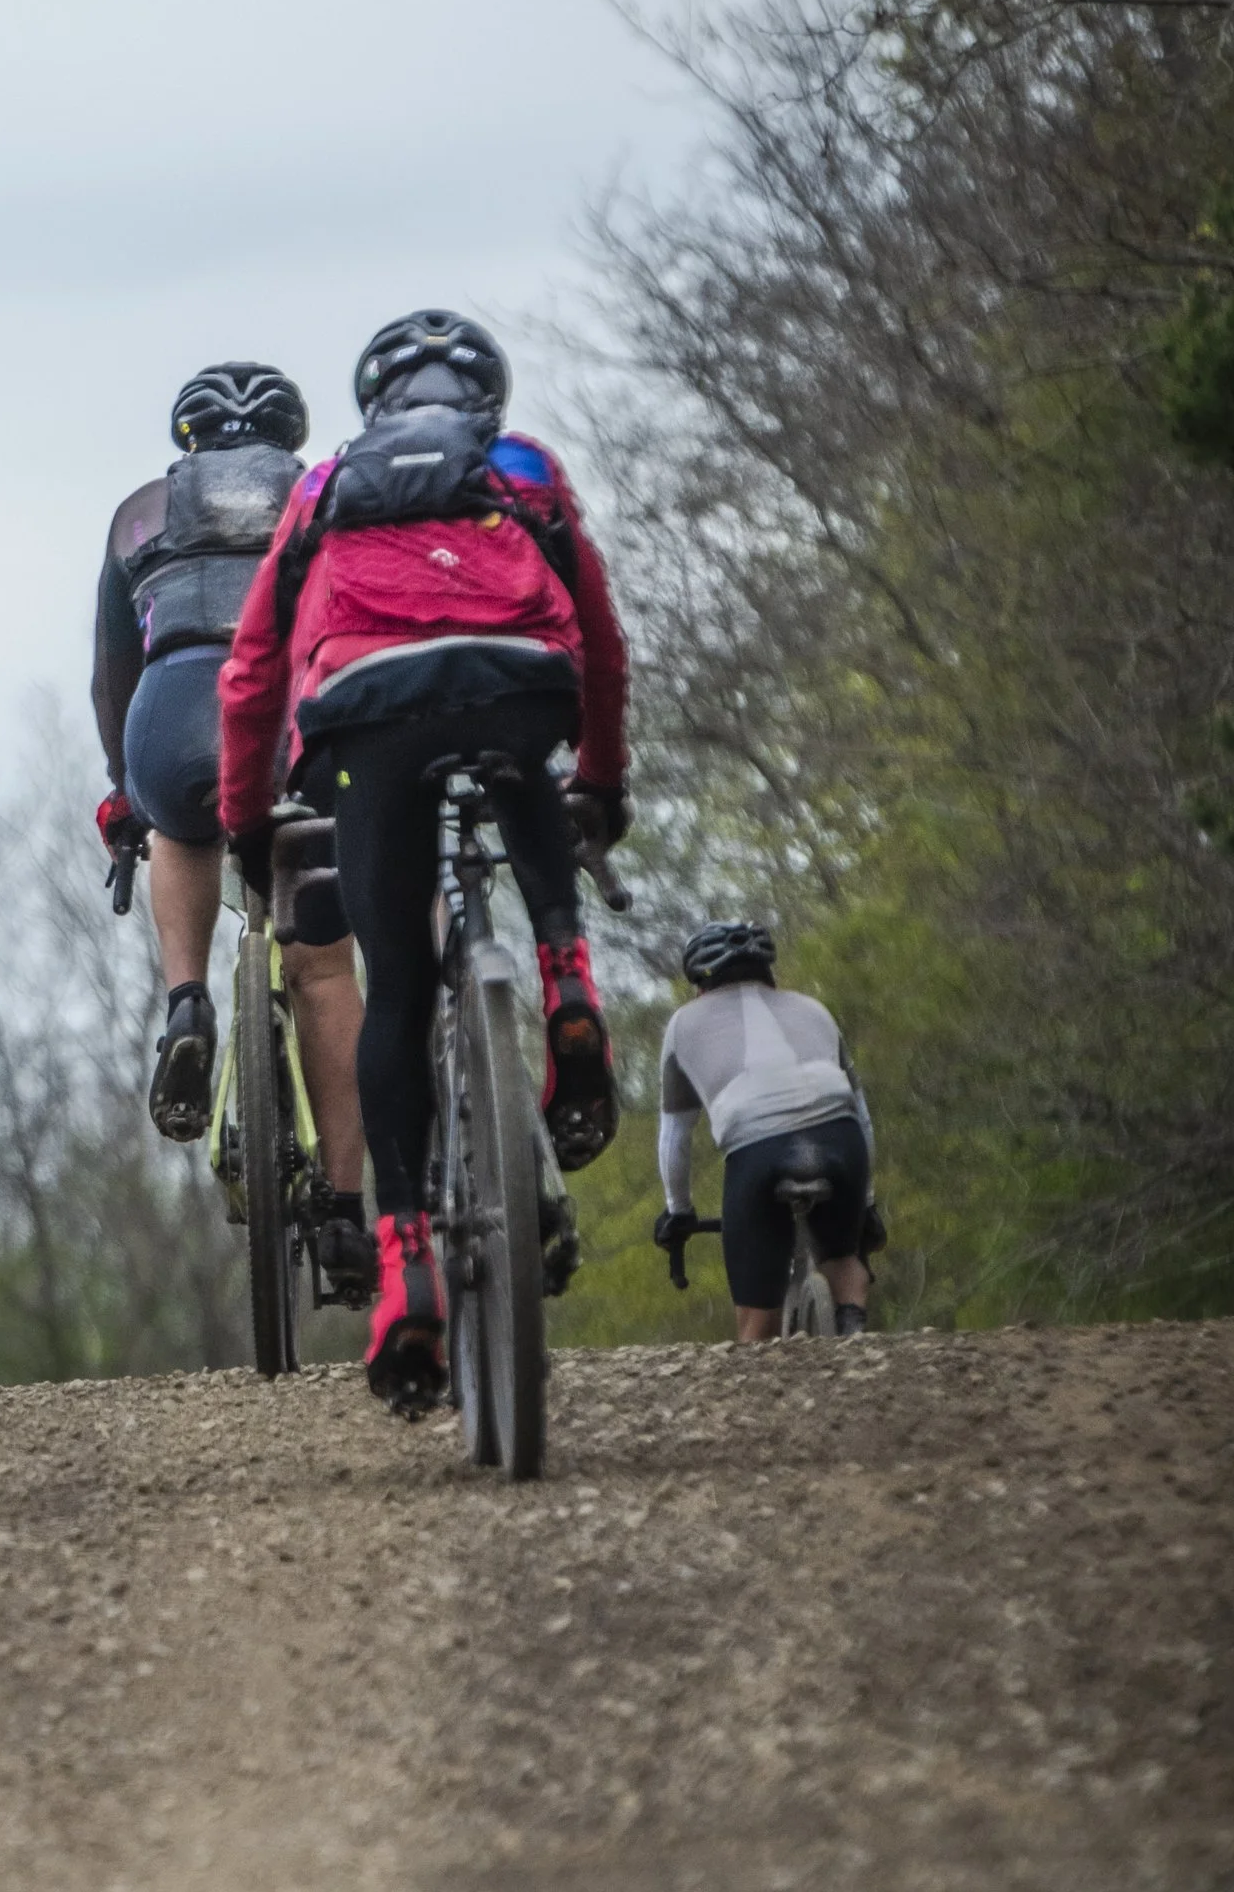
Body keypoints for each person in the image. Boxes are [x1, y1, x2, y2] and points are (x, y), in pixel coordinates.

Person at [217, 308, 631, 1411]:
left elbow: (252, 668)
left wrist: (249, 819)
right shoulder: (523, 465)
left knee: (393, 991)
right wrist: (602, 776)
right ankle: (562, 975)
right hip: (517, 680)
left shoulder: (322, 489)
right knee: (527, 768)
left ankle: (404, 1266)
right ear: (482, 393)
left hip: (366, 714)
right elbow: (595, 631)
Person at [93, 362, 371, 1278]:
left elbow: (110, 676)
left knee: (177, 822)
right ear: (288, 436)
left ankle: (187, 1002)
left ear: (186, 441)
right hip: (289, 716)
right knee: (324, 967)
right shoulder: (326, 492)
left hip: (167, 712)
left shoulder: (138, 512)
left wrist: (122, 794)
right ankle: (341, 1208)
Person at [652, 923, 881, 1341]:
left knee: (757, 1322)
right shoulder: (814, 1009)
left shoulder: (683, 1025)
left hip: (758, 1151)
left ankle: (764, 1394)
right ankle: (853, 1338)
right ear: (768, 972)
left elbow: (675, 1137)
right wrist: (866, 1203)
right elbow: (862, 1115)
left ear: (700, 983)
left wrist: (679, 1210)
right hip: (841, 1138)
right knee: (846, 1263)